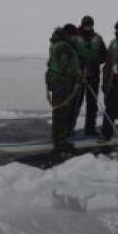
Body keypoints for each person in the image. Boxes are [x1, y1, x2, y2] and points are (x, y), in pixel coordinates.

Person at [46, 24, 81, 154]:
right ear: (70, 35)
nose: (76, 39)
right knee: (62, 113)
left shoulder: (55, 45)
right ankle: (60, 143)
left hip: (55, 82)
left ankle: (58, 140)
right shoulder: (65, 47)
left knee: (58, 112)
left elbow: (50, 63)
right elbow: (65, 67)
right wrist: (76, 76)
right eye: (75, 36)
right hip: (63, 83)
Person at [73, 15, 108, 137]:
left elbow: (105, 55)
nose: (87, 27)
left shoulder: (98, 39)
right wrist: (78, 62)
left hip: (93, 76)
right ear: (82, 24)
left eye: (89, 25)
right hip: (78, 77)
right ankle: (69, 129)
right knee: (76, 103)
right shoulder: (75, 37)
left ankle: (90, 129)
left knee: (92, 104)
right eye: (85, 25)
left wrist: (96, 61)